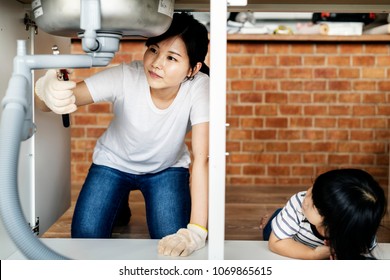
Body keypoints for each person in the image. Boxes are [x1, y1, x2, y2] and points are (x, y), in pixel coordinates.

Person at [34, 12, 210, 257]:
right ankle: (119, 205)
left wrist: (197, 230)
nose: (157, 63)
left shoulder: (200, 86)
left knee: (173, 242)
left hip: (166, 169)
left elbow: (203, 158)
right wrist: (46, 90)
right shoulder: (127, 75)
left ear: (193, 68)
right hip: (113, 165)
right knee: (86, 238)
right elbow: (54, 102)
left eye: (172, 58)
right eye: (154, 50)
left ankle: (119, 203)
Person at [261, 169, 387, 260]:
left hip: (298, 221)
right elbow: (275, 243)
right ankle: (277, 215)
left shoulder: (360, 232)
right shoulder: (299, 202)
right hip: (288, 233)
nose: (306, 198)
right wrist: (313, 254)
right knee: (273, 225)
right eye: (314, 187)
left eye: (314, 205)